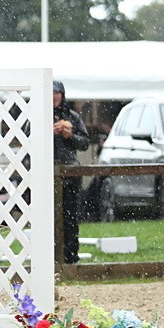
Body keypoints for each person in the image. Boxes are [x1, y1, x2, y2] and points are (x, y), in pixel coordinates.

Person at [53, 80, 91, 264]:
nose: (54, 96)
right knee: (49, 218)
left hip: (70, 171)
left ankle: (71, 258)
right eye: (51, 92)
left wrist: (70, 136)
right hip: (48, 173)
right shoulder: (37, 114)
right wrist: (50, 132)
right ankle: (51, 258)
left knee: (71, 218)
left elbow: (84, 142)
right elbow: (28, 140)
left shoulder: (73, 116)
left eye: (57, 92)